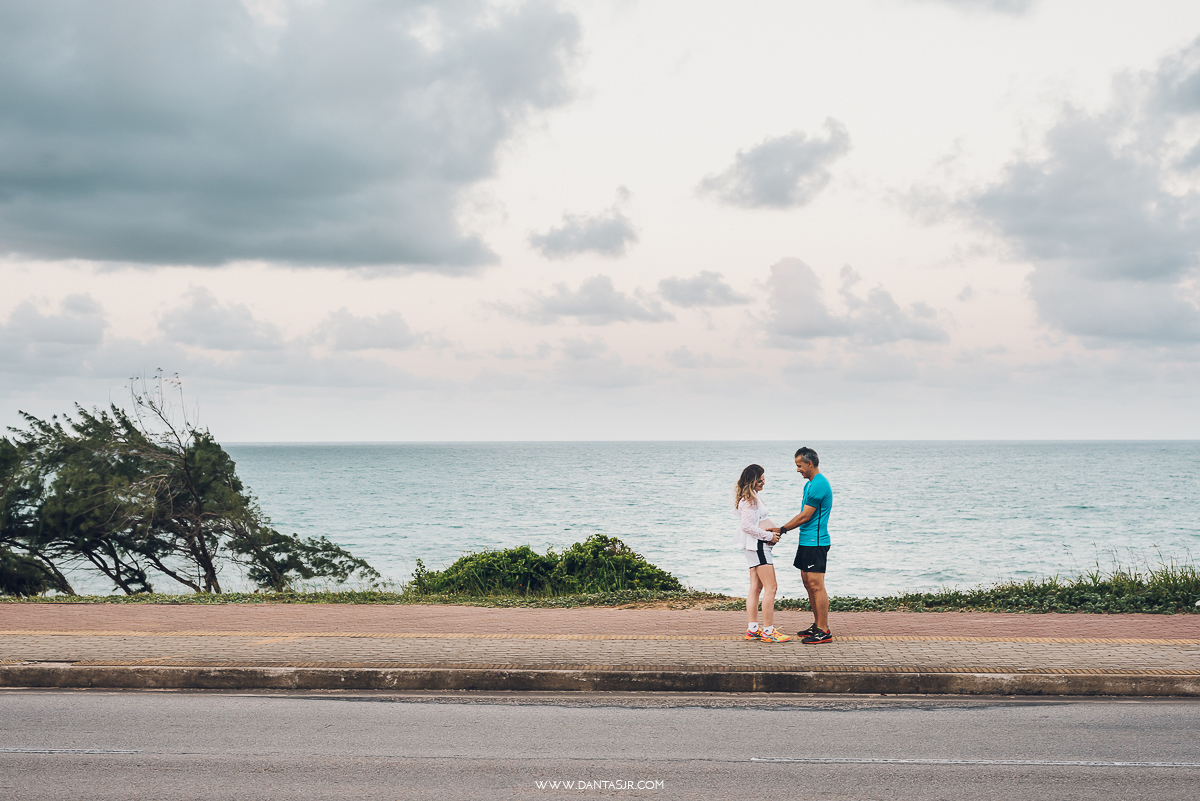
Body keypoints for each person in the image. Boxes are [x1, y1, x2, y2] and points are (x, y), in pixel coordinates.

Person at [774, 447, 833, 644]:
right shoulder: (809, 485)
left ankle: (824, 631)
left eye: (799, 466)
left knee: (817, 585)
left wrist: (782, 529)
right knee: (808, 584)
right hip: (806, 540)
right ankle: (817, 625)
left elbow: (805, 516)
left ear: (810, 463)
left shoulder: (819, 485)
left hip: (816, 542)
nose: (797, 469)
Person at [733, 464, 791, 643]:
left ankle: (753, 629)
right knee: (771, 587)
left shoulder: (751, 497)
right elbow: (747, 526)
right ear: (752, 481)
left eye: (764, 480)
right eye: (760, 480)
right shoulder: (749, 501)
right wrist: (769, 536)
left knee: (756, 587)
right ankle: (768, 631)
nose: (763, 483)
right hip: (758, 547)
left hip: (755, 547)